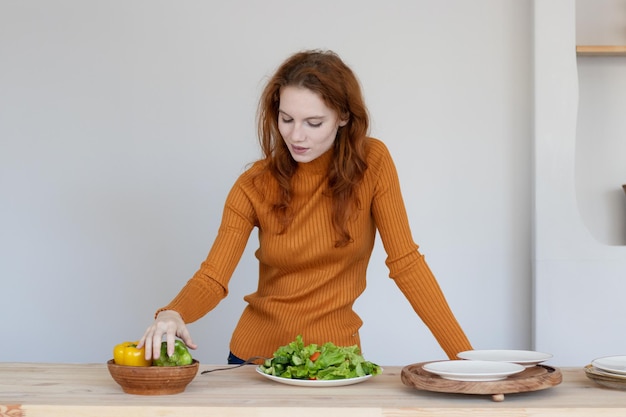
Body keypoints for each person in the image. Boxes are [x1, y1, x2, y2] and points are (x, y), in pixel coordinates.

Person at [138, 49, 472, 364]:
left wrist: (468, 362)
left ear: (343, 116)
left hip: (335, 362)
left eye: (313, 123)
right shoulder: (253, 185)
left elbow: (407, 264)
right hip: (254, 359)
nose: (297, 136)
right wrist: (172, 312)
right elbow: (213, 277)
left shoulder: (373, 163)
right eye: (287, 119)